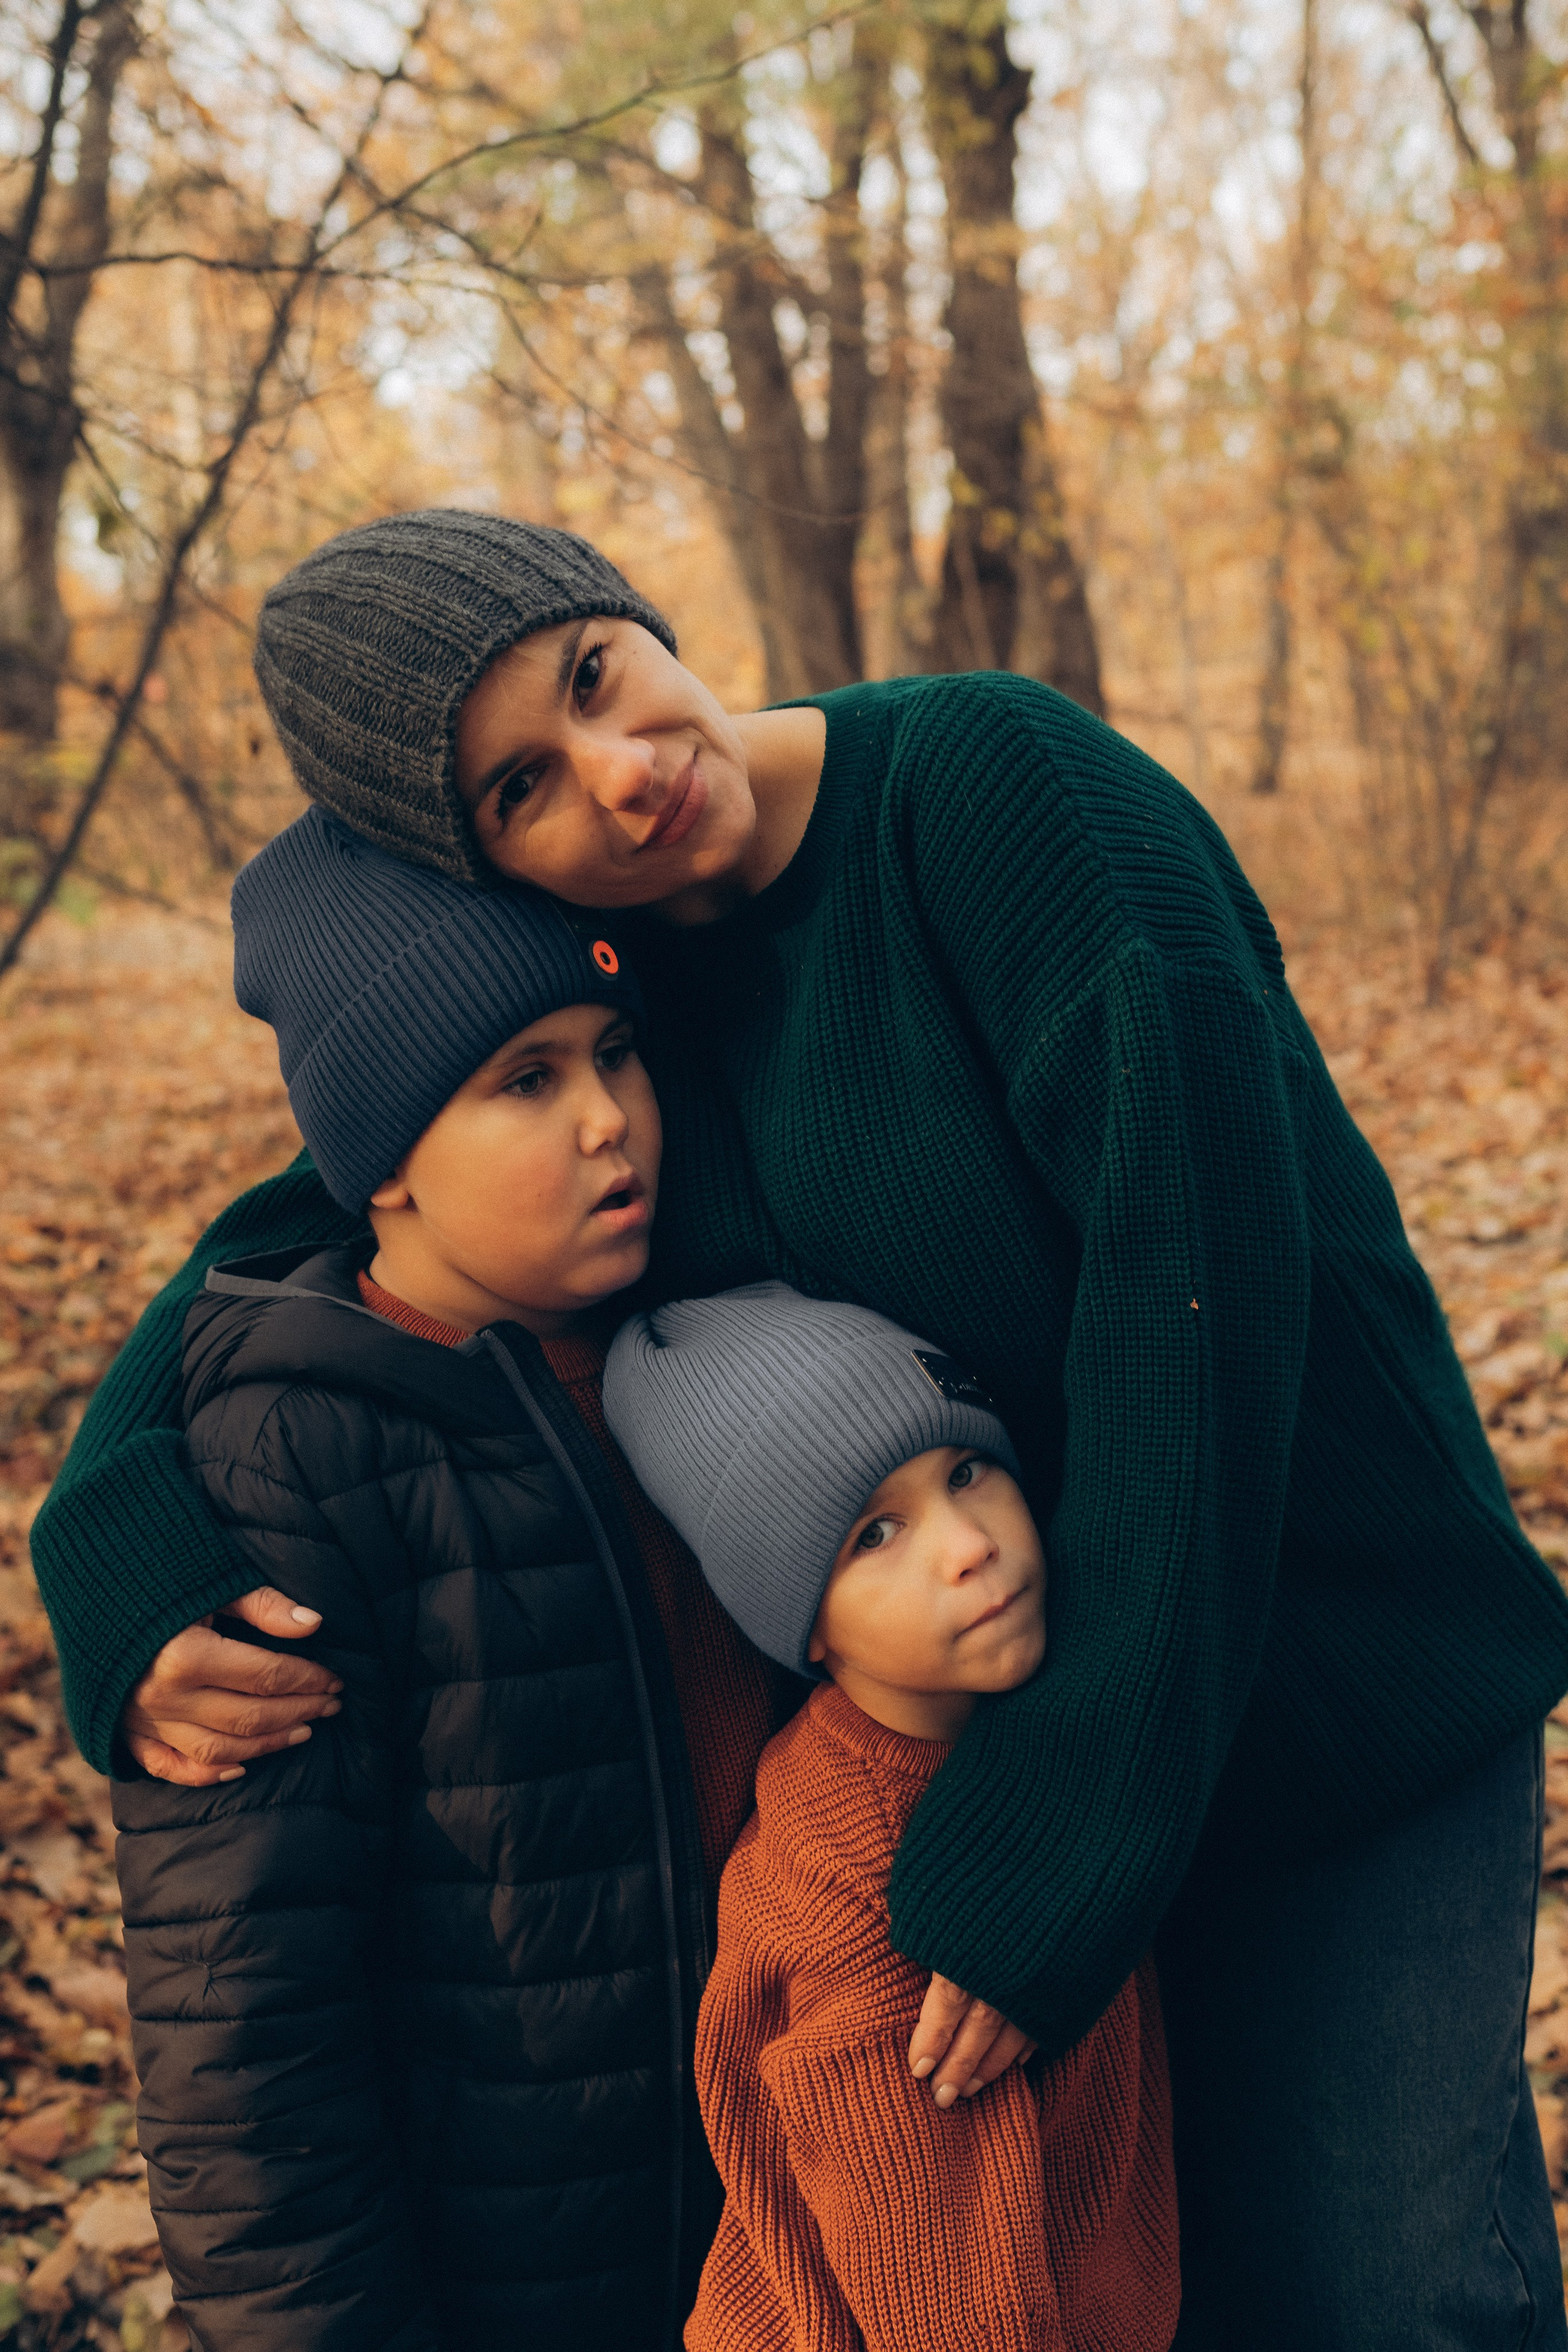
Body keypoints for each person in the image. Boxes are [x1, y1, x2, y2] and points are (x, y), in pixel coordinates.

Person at [35, 509, 1568, 2346]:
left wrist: (1071, 1818)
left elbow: (1201, 1307)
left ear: (634, 615)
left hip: (1335, 1693)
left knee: (1383, 2291)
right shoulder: (632, 977)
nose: (621, 772)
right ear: (484, 858)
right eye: (522, 787)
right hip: (1022, 1695)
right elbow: (332, 1192)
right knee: (1180, 2296)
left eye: (593, 676)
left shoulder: (997, 791)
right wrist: (109, 1509)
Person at [112, 807, 785, 2349]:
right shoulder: (296, 1459)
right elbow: (246, 2047)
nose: (609, 1119)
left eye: (615, 1053)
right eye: (525, 1082)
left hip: (777, 2241)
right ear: (380, 1162)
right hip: (510, 2283)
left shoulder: (708, 1355)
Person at [603, 1281, 1180, 2352]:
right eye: (875, 1534)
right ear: (801, 1625)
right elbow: (947, 2308)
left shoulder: (1052, 1742)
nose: (967, 1544)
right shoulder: (853, 1887)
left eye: (966, 1472)